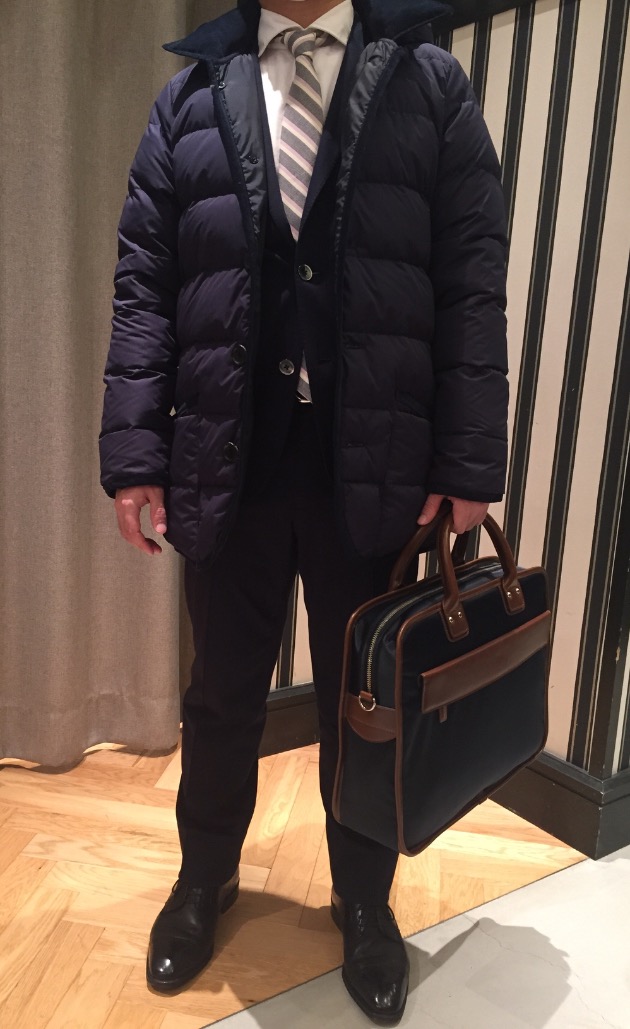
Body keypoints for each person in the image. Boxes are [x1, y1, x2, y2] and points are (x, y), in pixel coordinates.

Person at [99, 0, 509, 1022]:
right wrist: (137, 451)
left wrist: (468, 459)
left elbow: (471, 280)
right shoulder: (191, 96)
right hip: (226, 461)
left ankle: (364, 901)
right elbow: (146, 282)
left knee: (365, 703)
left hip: (374, 463)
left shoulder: (429, 85)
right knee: (220, 692)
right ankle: (204, 880)